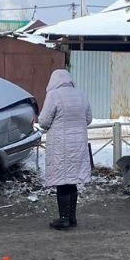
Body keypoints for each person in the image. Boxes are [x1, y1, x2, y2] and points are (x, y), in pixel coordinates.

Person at [38, 69, 92, 231]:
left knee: (62, 181)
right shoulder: (81, 94)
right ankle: (72, 217)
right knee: (72, 181)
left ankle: (63, 219)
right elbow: (88, 119)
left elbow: (44, 122)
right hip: (78, 145)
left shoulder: (53, 95)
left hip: (60, 145)